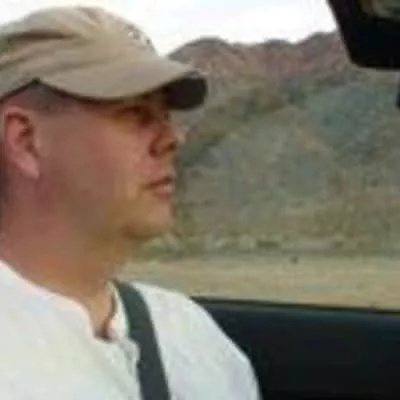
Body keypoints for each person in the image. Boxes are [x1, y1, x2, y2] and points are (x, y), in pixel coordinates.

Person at [0, 5, 260, 399]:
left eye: (165, 115)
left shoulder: (190, 335)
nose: (173, 139)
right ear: (25, 141)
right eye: (136, 113)